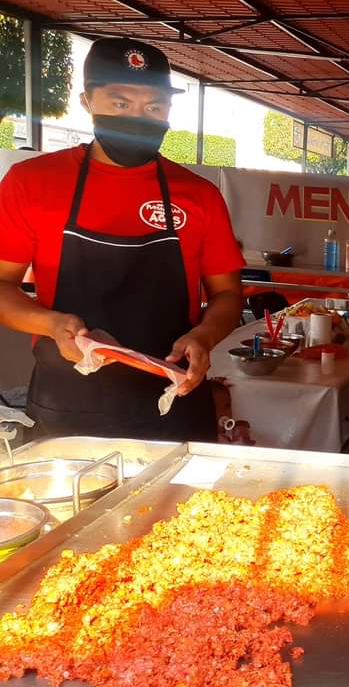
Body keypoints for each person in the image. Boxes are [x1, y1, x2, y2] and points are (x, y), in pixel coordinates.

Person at [0, 38, 244, 441]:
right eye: (120, 103)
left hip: (175, 400)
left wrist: (203, 337)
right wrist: (50, 323)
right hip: (67, 406)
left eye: (153, 106)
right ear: (86, 100)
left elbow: (228, 295)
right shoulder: (32, 183)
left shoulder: (199, 195)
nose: (138, 115)